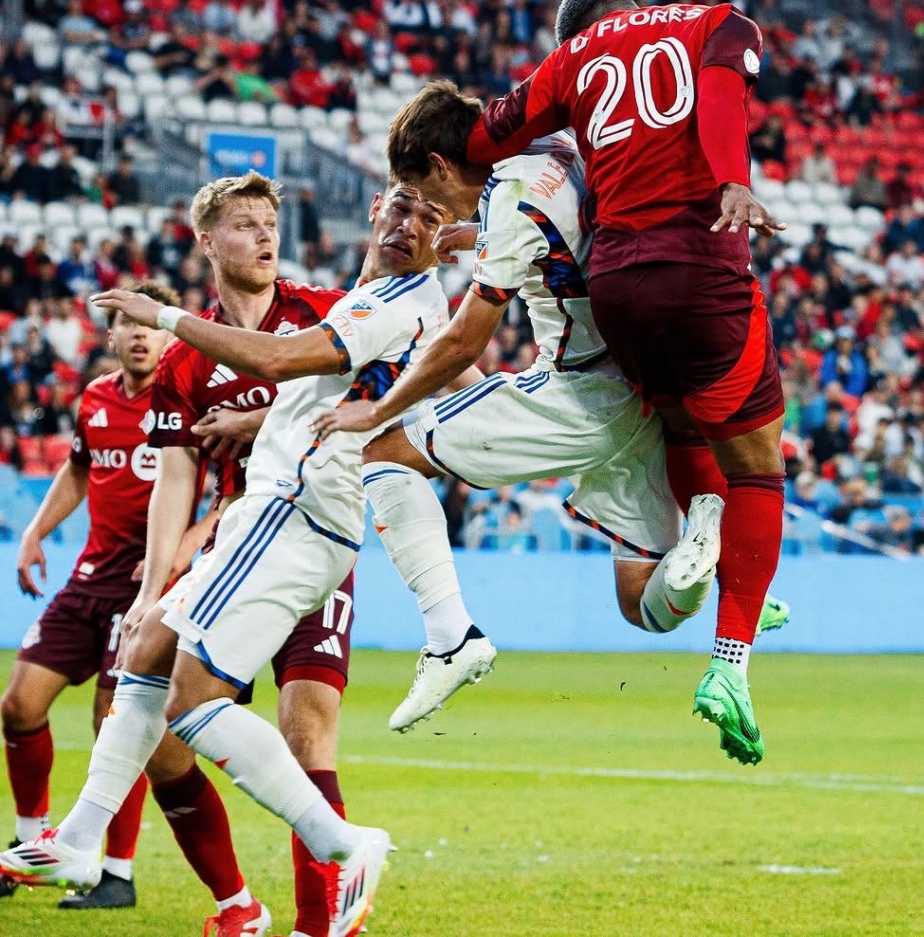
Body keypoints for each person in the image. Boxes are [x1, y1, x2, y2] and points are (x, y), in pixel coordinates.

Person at [0, 180, 456, 937]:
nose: (264, 237)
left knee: (301, 729)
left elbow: (322, 370)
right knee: (154, 688)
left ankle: (326, 899)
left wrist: (260, 415)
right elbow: (175, 476)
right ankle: (119, 857)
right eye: (244, 225)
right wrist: (154, 582)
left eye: (270, 224)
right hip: (242, 533)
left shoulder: (325, 308)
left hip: (304, 531)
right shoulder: (185, 362)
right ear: (208, 243)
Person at [315, 84, 789, 734]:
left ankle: (452, 637)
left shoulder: (506, 197)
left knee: (381, 452)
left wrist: (378, 409)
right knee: (642, 607)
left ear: (442, 166)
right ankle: (700, 539)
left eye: (431, 193)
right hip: (641, 384)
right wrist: (478, 232)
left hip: (576, 391)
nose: (434, 208)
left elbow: (464, 340)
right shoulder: (562, 146)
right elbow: (564, 222)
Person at [0, 279, 179, 911]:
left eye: (149, 325)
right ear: (111, 336)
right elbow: (78, 469)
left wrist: (177, 561)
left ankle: (116, 874)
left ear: (166, 332)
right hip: (89, 575)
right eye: (127, 326)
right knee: (19, 706)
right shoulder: (97, 399)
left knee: (114, 724)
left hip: (147, 583)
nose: (138, 335)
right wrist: (34, 533)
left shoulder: (185, 399)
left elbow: (217, 491)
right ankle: (28, 847)